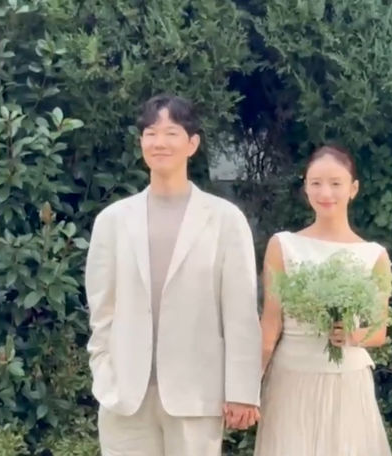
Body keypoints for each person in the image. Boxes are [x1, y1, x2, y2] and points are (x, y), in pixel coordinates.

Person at [85, 94, 261, 456]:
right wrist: (104, 370)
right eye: (151, 133)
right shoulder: (113, 221)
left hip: (196, 395)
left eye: (171, 133)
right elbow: (102, 311)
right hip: (125, 397)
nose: (159, 143)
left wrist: (242, 391)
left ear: (192, 144)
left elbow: (241, 313)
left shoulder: (224, 220)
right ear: (141, 142)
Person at [255, 144, 392, 455]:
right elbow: (271, 324)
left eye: (335, 183)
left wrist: (351, 334)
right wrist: (249, 387)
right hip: (292, 377)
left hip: (348, 382)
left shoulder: (374, 255)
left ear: (353, 189)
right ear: (305, 187)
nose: (325, 192)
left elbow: (379, 330)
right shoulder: (283, 245)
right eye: (315, 183)